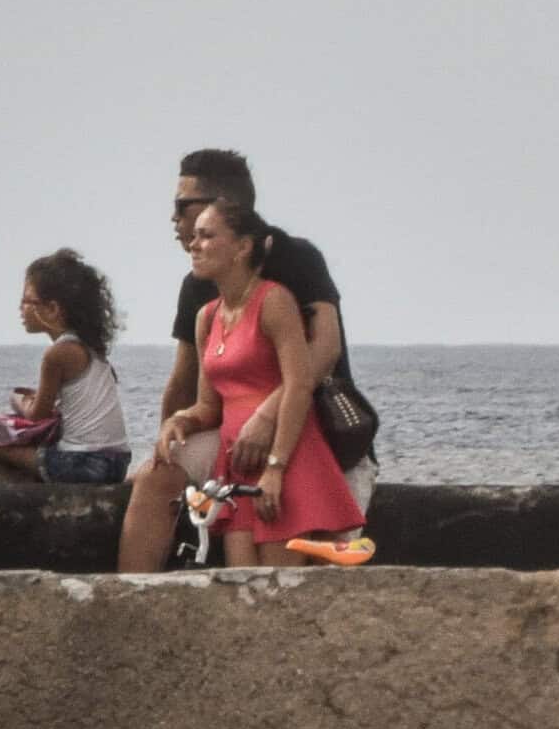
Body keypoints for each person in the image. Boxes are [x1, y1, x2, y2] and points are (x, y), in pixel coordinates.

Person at [117, 148, 371, 572]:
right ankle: (128, 598)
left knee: (303, 568)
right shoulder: (199, 291)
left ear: (225, 206)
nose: (176, 221)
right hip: (235, 432)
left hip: (313, 426)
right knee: (156, 477)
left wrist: (267, 417)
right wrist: (170, 433)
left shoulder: (295, 259)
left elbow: (324, 351)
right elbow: (186, 382)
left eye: (184, 207)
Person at [0, 249, 132, 484]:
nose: (20, 308)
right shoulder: (92, 348)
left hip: (83, 464)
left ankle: (30, 482)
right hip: (118, 463)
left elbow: (37, 415)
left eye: (26, 301)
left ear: (52, 309)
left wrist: (19, 401)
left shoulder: (57, 354)